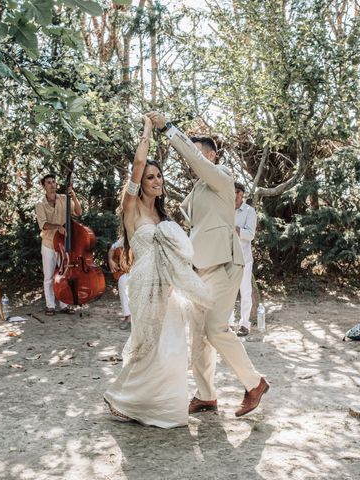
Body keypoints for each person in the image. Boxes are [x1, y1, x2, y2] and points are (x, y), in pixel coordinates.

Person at [147, 111, 270, 418]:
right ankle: (206, 396)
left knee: (215, 329)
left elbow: (196, 162)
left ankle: (254, 384)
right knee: (199, 333)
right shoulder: (198, 190)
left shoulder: (221, 178)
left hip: (226, 265)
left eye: (199, 151)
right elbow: (192, 227)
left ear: (212, 156)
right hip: (200, 269)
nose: (195, 157)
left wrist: (170, 130)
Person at [103, 116, 212, 428]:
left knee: (172, 347)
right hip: (143, 282)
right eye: (149, 176)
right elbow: (138, 162)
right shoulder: (132, 207)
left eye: (158, 175)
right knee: (148, 344)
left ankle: (157, 403)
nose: (155, 180)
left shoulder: (163, 213)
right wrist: (150, 131)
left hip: (167, 286)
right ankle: (122, 399)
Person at [35, 174, 82, 315]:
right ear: (44, 186)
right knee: (49, 277)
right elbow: (43, 225)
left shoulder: (64, 199)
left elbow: (78, 212)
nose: (52, 185)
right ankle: (50, 305)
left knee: (64, 275)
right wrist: (58, 227)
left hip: (63, 244)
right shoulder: (40, 204)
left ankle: (64, 305)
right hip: (49, 243)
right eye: (48, 183)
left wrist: (72, 195)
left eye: (54, 182)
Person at [228, 182, 257, 337]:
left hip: (244, 258)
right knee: (229, 292)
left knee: (245, 291)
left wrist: (236, 229)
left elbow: (251, 234)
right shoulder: (225, 209)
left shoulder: (249, 211)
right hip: (227, 257)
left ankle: (245, 324)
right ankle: (230, 322)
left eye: (233, 192)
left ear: (240, 194)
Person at [107, 237, 131, 330]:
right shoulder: (124, 239)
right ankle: (128, 318)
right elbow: (112, 248)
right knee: (122, 280)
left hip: (142, 272)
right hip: (127, 272)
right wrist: (110, 260)